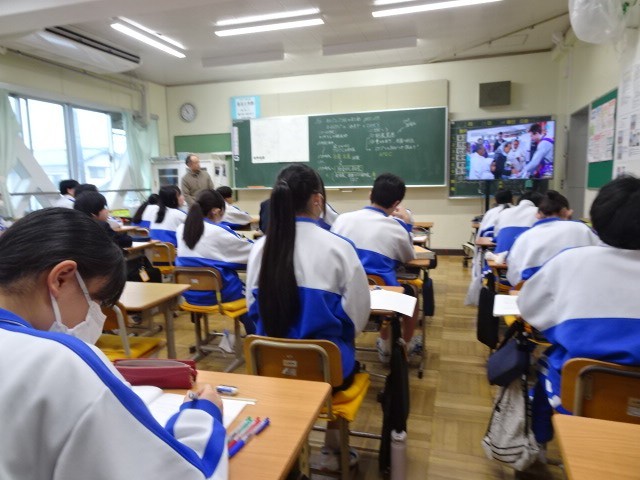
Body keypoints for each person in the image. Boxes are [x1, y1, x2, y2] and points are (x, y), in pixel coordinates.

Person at [0, 208, 228, 479]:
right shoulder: (59, 362)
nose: (96, 315)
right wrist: (203, 414)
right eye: (97, 301)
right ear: (61, 278)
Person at [245, 164, 370, 472]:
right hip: (326, 371)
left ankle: (282, 447)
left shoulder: (260, 248)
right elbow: (358, 317)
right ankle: (332, 448)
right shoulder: (340, 248)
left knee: (289, 369)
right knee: (340, 351)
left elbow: (251, 309)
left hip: (269, 365)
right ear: (317, 200)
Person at [518, 176, 640, 444]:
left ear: (597, 218)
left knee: (551, 359)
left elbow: (530, 310)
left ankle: (540, 441)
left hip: (580, 398)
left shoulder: (569, 261)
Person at [331, 173, 419, 361]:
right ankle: (403, 345)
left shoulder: (342, 220)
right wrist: (408, 225)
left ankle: (384, 344)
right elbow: (409, 257)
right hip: (381, 298)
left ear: (370, 194)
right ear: (396, 204)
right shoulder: (397, 227)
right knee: (412, 294)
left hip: (342, 295)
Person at [176, 189, 254, 333]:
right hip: (217, 294)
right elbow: (252, 253)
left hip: (190, 293)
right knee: (253, 295)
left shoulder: (181, 229)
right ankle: (257, 337)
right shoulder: (218, 231)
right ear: (216, 211)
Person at [506, 191, 600, 286]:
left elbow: (513, 277)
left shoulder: (524, 237)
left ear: (538, 214)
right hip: (578, 289)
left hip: (535, 292)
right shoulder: (584, 230)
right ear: (565, 212)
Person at [464, 190, 513, 306]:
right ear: (512, 200)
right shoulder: (517, 212)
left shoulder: (491, 213)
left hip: (494, 254)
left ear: (495, 200)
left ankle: (489, 289)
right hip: (513, 257)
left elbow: (480, 236)